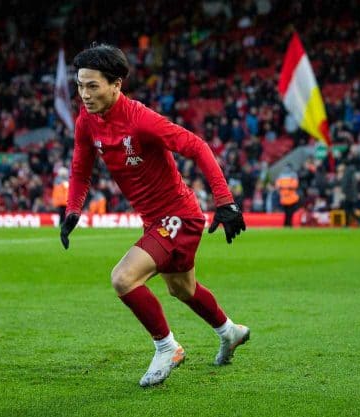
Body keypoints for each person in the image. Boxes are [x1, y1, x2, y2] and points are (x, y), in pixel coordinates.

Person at [60, 44, 249, 387]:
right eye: (79, 85)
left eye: (92, 86)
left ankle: (167, 347)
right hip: (156, 220)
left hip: (179, 215)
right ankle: (229, 331)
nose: (84, 94)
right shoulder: (86, 122)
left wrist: (224, 200)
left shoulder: (141, 120)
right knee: (182, 289)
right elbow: (80, 169)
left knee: (123, 278)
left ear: (116, 84)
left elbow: (197, 146)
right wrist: (73, 209)